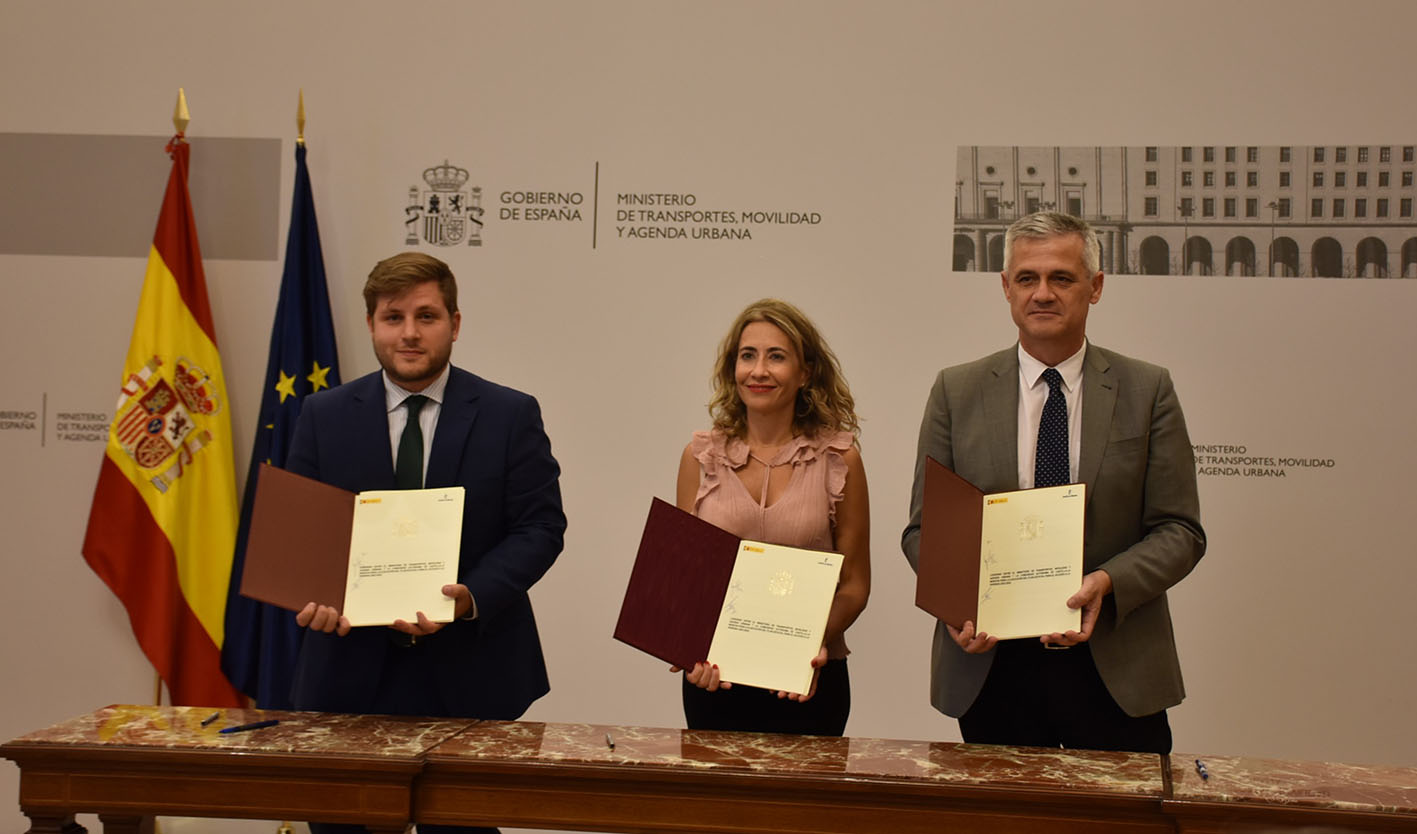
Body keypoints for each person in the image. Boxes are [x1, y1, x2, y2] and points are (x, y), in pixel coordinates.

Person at [901, 212, 1205, 754]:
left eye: (1061, 278)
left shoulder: (1147, 388)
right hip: (992, 667)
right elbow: (924, 531)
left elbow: (1179, 530)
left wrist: (1107, 582)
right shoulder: (956, 390)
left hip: (1117, 662)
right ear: (1005, 288)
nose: (1042, 293)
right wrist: (957, 603)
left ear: (1096, 286)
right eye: (1027, 278)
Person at [288, 252, 565, 833]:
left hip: (468, 671)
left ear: (455, 324)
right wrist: (315, 594)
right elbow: (305, 533)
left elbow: (540, 527)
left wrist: (469, 597)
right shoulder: (323, 414)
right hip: (348, 673)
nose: (409, 333)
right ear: (371, 324)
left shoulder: (509, 414)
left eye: (427, 316)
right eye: (393, 317)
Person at [675, 298, 870, 737]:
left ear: (805, 373)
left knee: (805, 807)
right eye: (748, 356)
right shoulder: (699, 457)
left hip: (808, 678)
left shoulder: (840, 459)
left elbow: (855, 584)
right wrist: (687, 645)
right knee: (717, 805)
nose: (758, 371)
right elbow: (686, 577)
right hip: (715, 678)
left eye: (776, 356)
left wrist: (805, 645)